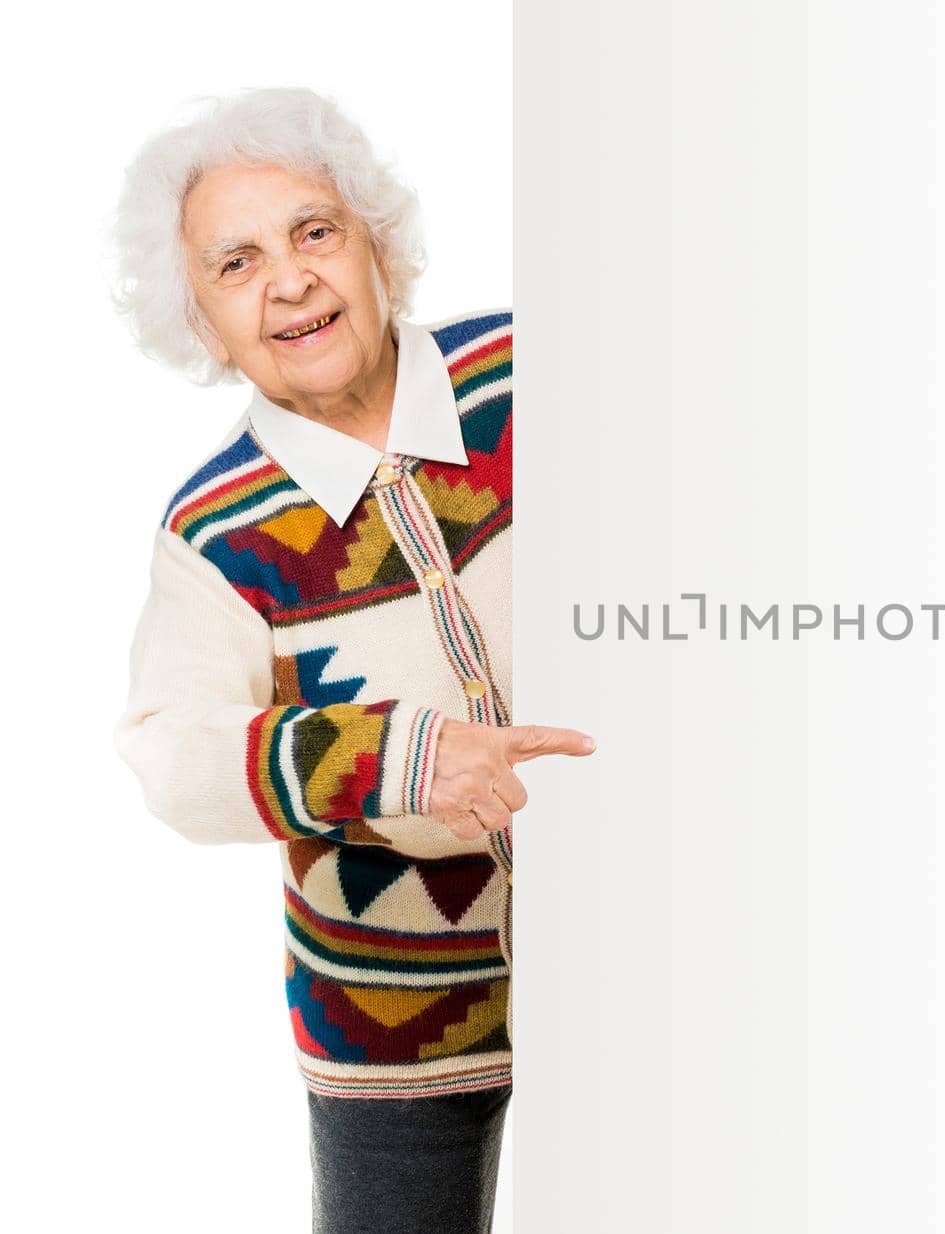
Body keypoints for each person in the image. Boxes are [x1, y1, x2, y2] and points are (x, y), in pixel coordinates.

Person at [110, 87, 593, 1234]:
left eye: (315, 232)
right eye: (236, 263)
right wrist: (390, 759)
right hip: (392, 1002)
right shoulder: (216, 527)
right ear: (204, 319)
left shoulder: (534, 370)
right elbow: (175, 757)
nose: (288, 279)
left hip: (657, 937)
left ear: (377, 245)